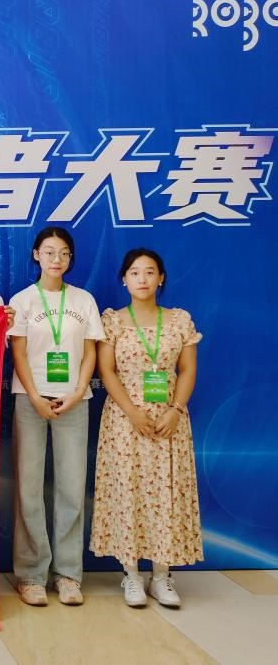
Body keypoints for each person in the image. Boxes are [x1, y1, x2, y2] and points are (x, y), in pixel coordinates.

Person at [90, 248, 202, 609]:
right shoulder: (113, 321)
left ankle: (162, 576)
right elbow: (106, 371)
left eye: (150, 272)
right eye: (135, 272)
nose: (142, 279)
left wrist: (175, 410)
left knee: (166, 492)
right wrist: (132, 412)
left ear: (161, 278)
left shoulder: (179, 320)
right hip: (125, 421)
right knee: (128, 492)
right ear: (124, 279)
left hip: (169, 419)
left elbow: (187, 370)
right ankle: (132, 575)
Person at [7, 227, 104, 607]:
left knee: (71, 488)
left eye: (63, 253)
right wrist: (34, 395)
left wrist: (78, 391)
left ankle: (67, 575)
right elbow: (18, 352)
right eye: (49, 252)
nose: (56, 259)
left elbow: (91, 351)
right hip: (29, 400)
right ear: (36, 255)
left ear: (70, 258)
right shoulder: (22, 300)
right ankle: (30, 575)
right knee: (28, 488)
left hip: (74, 402)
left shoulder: (84, 299)